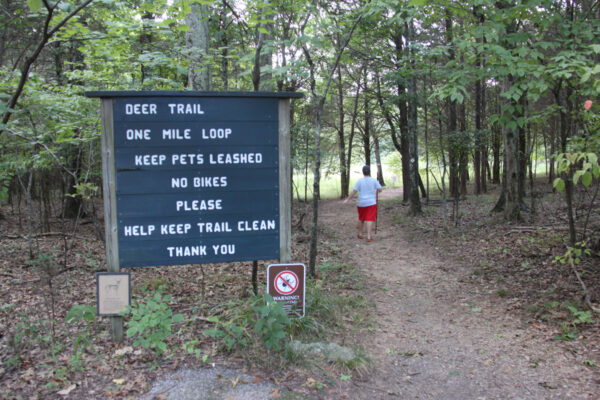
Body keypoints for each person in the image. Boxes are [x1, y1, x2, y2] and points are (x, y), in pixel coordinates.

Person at [343, 165, 382, 242]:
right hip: (371, 203)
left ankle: (360, 234)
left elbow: (354, 191)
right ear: (369, 172)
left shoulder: (359, 181)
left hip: (361, 203)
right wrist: (377, 186)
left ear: (363, 172)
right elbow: (380, 190)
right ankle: (368, 236)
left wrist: (347, 199)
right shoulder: (374, 180)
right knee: (370, 219)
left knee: (361, 218)